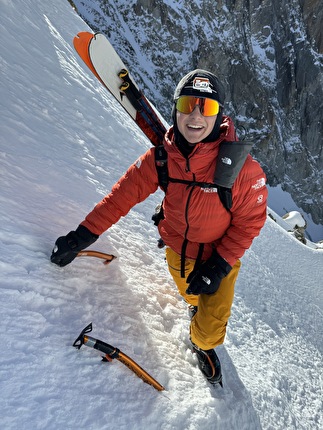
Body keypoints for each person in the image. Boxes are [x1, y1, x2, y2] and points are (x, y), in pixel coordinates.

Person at [51, 69, 268, 386]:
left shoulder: (242, 170)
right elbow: (118, 199)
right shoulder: (161, 160)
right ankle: (195, 308)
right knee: (191, 298)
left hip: (220, 258)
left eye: (205, 107)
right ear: (176, 109)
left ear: (219, 114)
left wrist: (219, 266)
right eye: (187, 105)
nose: (195, 115)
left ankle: (200, 343)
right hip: (177, 251)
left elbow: (250, 222)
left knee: (209, 333)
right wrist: (79, 237)